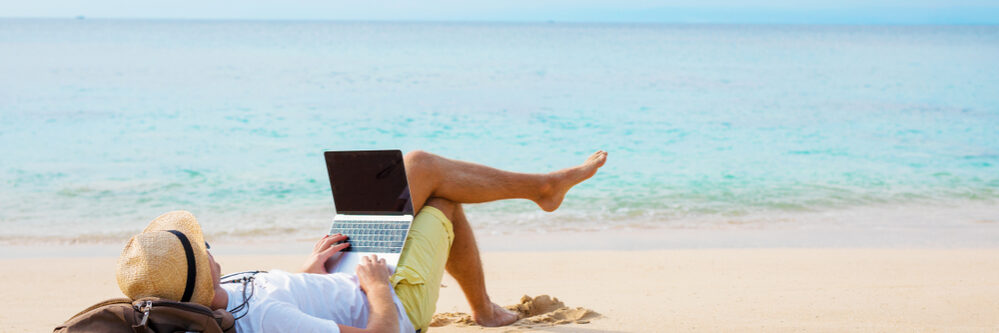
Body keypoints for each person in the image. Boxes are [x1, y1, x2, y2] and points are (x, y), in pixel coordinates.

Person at [116, 150, 607, 333]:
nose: (209, 247)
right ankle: (543, 190)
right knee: (433, 188)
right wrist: (374, 287)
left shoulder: (229, 296)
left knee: (419, 177)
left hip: (347, 276)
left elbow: (284, 296)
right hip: (393, 301)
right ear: (202, 270)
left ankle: (486, 306)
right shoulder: (267, 320)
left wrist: (309, 269)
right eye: (203, 249)